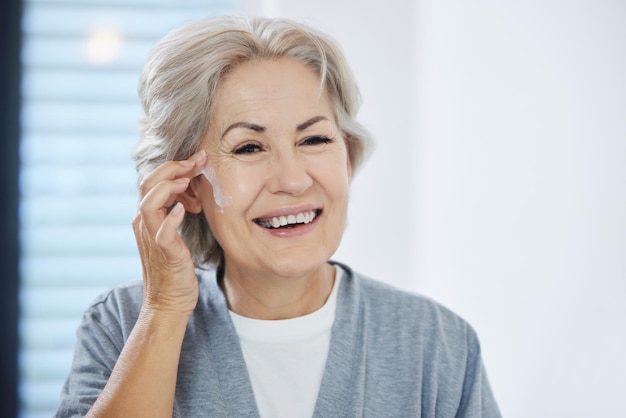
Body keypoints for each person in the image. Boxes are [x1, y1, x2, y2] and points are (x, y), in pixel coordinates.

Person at [55, 16, 501, 417]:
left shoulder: (438, 345)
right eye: (249, 147)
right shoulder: (120, 324)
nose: (292, 179)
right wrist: (165, 310)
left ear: (347, 156)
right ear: (188, 186)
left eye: (314, 140)